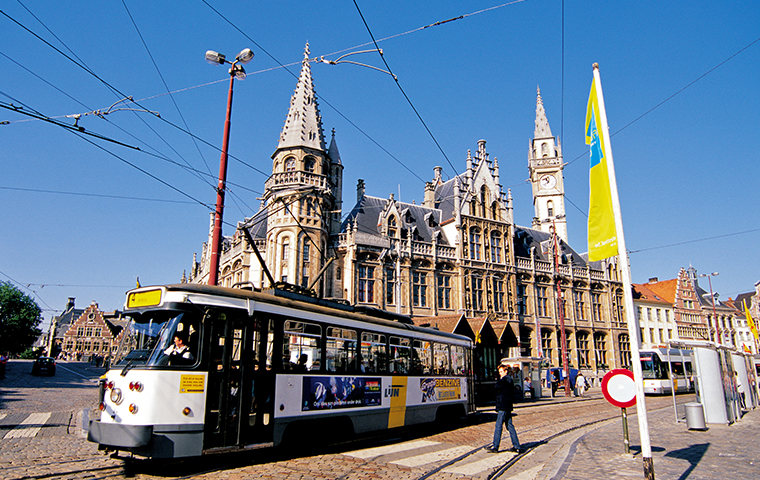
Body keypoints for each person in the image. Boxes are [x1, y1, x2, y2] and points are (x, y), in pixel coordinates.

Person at [485, 364, 523, 453]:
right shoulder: (509, 380)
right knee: (509, 426)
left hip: (503, 406)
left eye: (501, 372)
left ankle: (495, 446)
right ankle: (516, 446)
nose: (500, 374)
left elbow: (497, 387)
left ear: (505, 371)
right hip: (507, 406)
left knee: (498, 425)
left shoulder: (505, 380)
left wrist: (498, 382)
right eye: (499, 372)